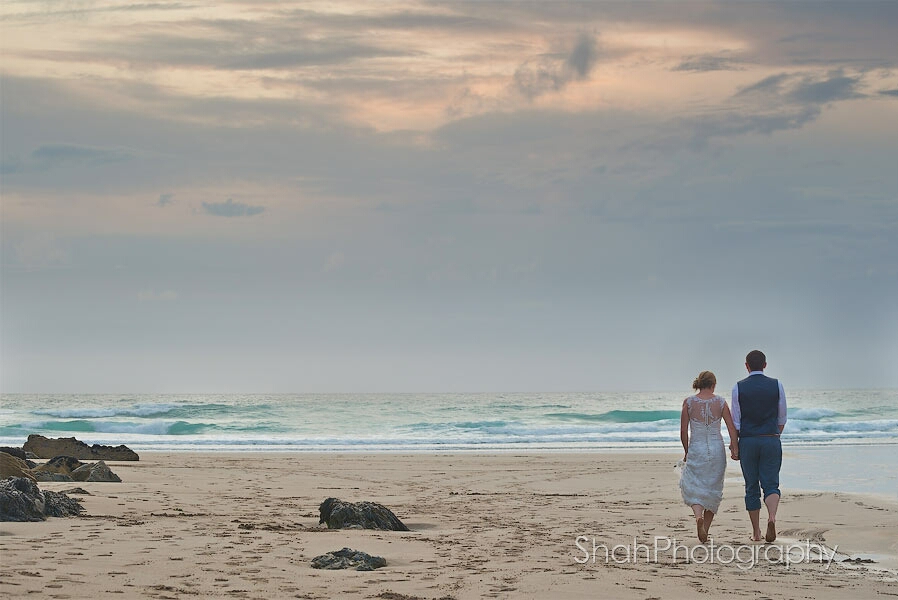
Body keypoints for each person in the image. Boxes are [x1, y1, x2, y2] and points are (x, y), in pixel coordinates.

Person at [732, 350, 787, 543]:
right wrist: (774, 434)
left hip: (748, 440)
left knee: (751, 486)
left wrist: (735, 445)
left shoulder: (738, 387)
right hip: (770, 438)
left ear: (746, 366)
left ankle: (756, 533)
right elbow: (782, 417)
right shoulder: (777, 385)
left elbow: (736, 422)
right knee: (771, 484)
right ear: (765, 365)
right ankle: (771, 518)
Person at [679, 370, 739, 542]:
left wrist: (686, 452)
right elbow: (731, 428)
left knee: (694, 486)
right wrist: (735, 448)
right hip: (716, 450)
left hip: (696, 448)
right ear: (713, 384)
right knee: (713, 489)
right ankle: (705, 527)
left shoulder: (689, 402)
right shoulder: (720, 402)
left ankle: (698, 518)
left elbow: (683, 431)